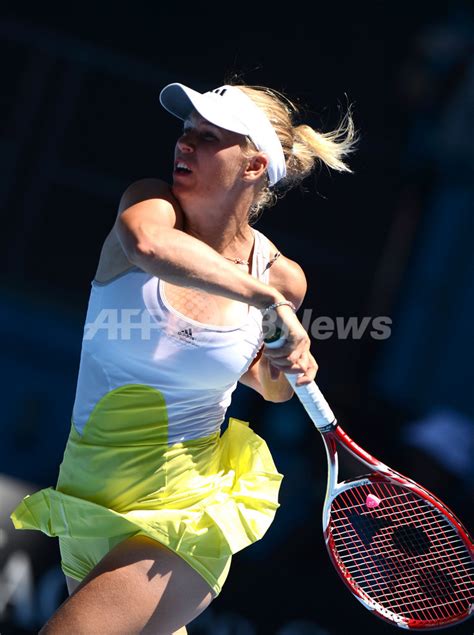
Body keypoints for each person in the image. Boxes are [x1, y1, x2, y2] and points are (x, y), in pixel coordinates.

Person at [10, 80, 354, 634]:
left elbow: (269, 386)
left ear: (252, 165)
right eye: (186, 130)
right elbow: (149, 248)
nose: (185, 144)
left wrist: (292, 363)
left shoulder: (281, 276)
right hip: (88, 508)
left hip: (185, 515)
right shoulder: (149, 205)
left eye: (208, 136)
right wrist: (260, 299)